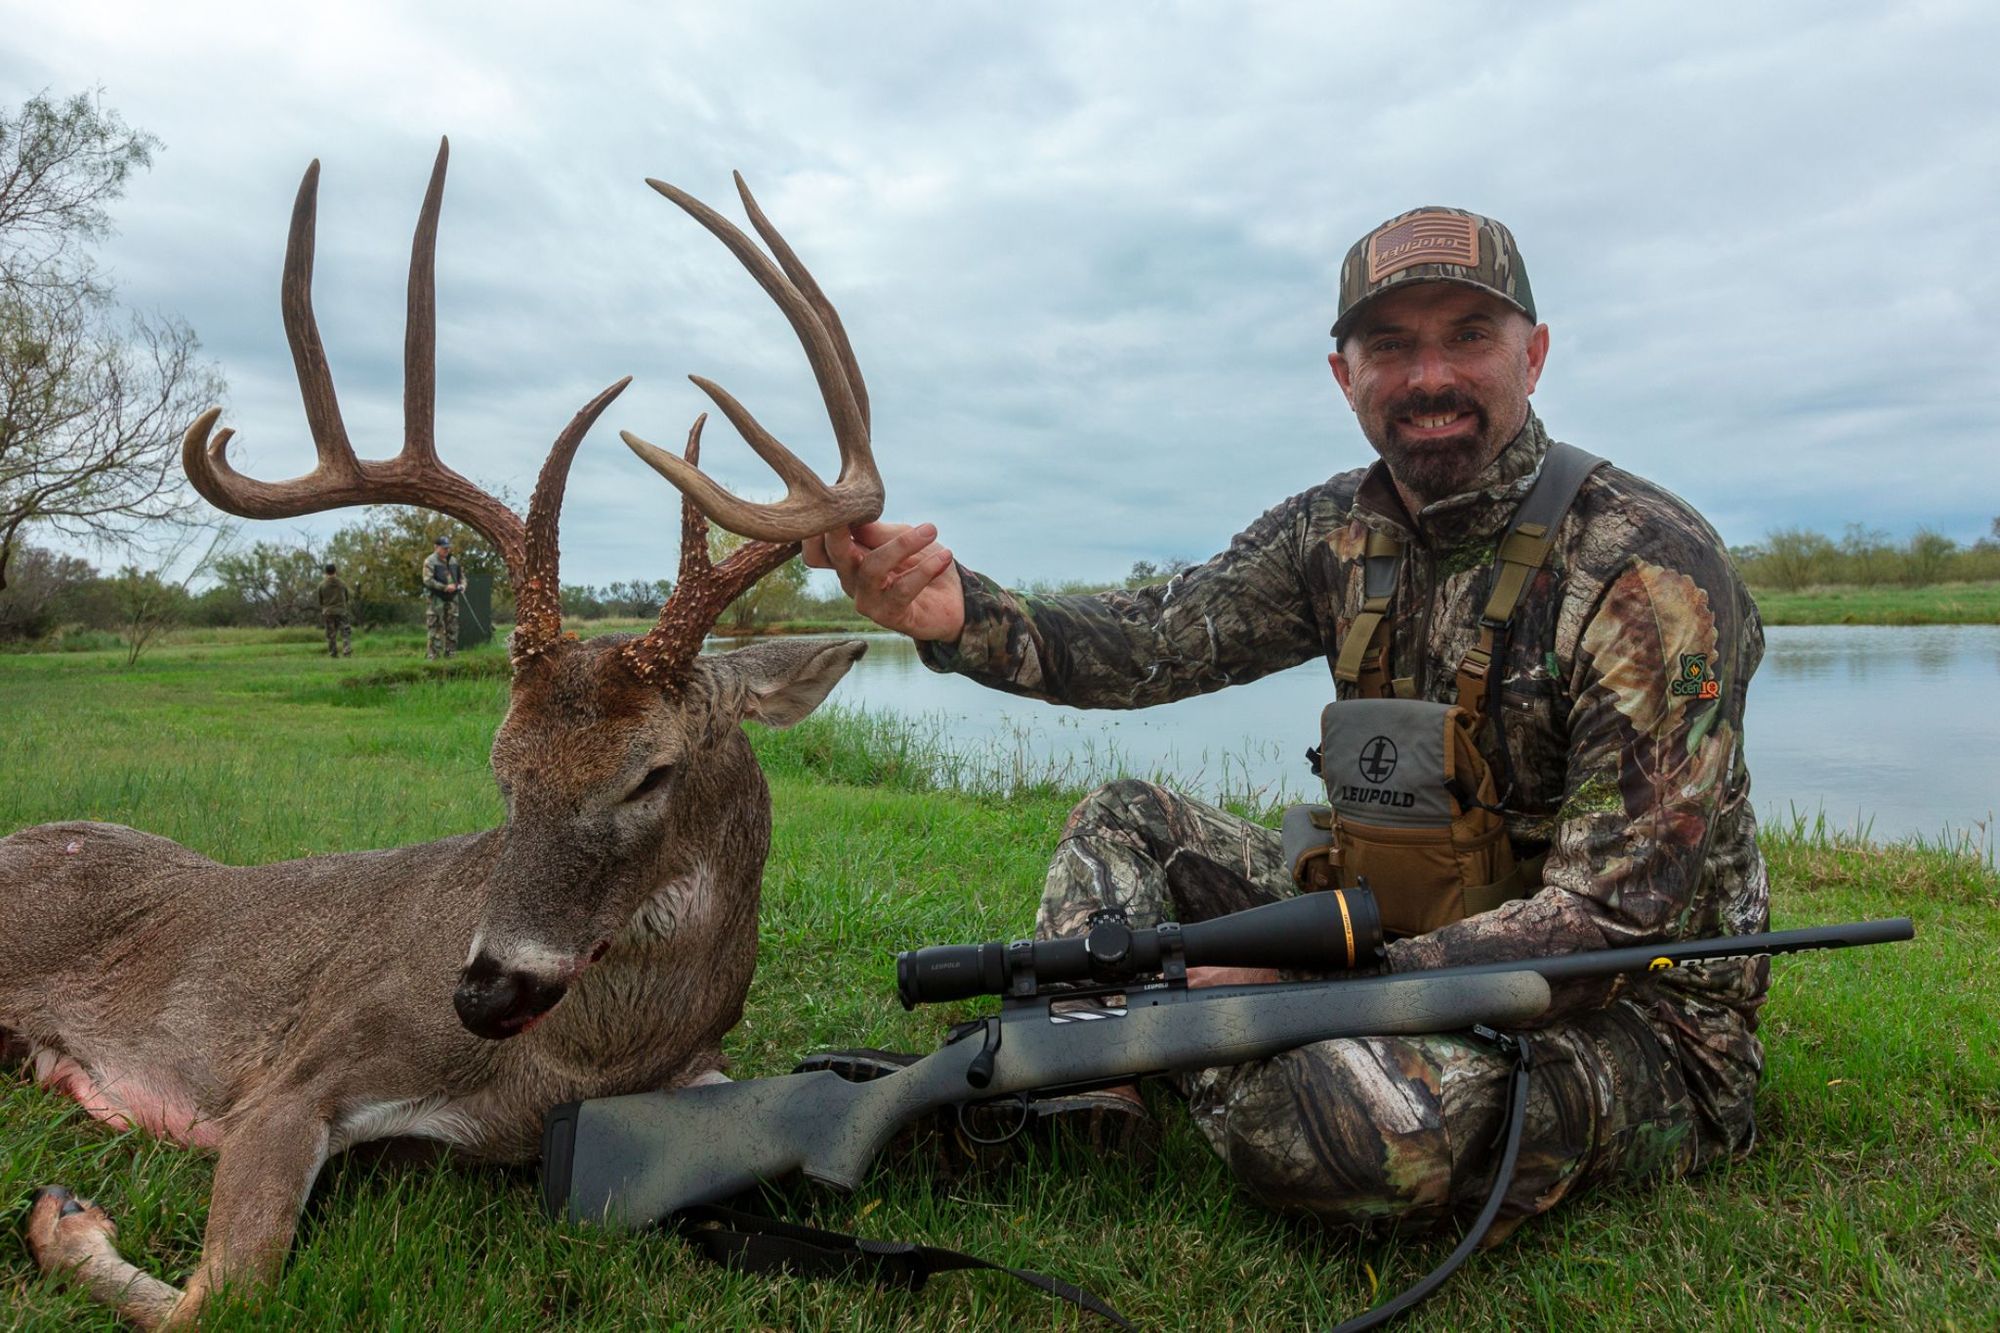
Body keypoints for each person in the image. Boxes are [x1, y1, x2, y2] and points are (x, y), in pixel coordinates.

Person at [803, 206, 1768, 1244]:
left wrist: (1312, 982)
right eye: (1389, 345)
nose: (1428, 376)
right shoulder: (1333, 533)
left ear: (1531, 357)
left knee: (1350, 1123)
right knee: (1122, 819)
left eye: (1467, 336)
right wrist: (958, 613)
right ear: (1343, 376)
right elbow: (1157, 637)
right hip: (1388, 924)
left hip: (1632, 1014)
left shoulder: (1646, 570)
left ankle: (1121, 1056)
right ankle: (1092, 1093)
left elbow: (1609, 926)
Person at [421, 535, 462, 660]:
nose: (447, 550)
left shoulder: (453, 560)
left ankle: (451, 653)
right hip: (436, 598)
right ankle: (433, 655)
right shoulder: (430, 561)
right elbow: (427, 580)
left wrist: (462, 585)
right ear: (436, 547)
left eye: (448, 548)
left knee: (452, 626)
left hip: (452, 598)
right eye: (444, 548)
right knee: (435, 626)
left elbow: (461, 576)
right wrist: (445, 587)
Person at [317, 562, 353, 658]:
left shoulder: (321, 585)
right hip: (341, 611)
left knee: (331, 634)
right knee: (345, 633)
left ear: (326, 572)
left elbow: (320, 601)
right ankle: (347, 652)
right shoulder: (342, 583)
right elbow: (346, 598)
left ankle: (333, 653)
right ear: (335, 571)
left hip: (328, 612)